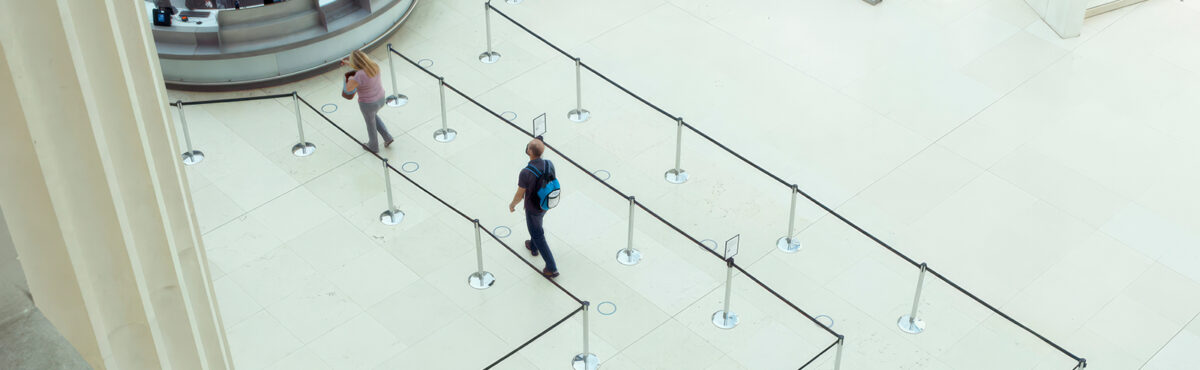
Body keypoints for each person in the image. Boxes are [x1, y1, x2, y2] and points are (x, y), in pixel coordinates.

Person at [510, 138, 558, 278]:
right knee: (536, 225)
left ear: (530, 151)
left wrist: (512, 204)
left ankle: (551, 267)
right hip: (545, 203)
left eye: (529, 146)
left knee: (538, 233)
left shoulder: (526, 172)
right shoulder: (549, 164)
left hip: (533, 207)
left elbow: (520, 194)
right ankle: (533, 245)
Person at [341, 50, 394, 153]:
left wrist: (346, 78)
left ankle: (373, 146)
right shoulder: (374, 66)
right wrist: (348, 63)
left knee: (370, 125)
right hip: (381, 99)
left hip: (368, 104)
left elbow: (348, 89)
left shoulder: (358, 76)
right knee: (373, 117)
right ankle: (388, 137)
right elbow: (361, 68)